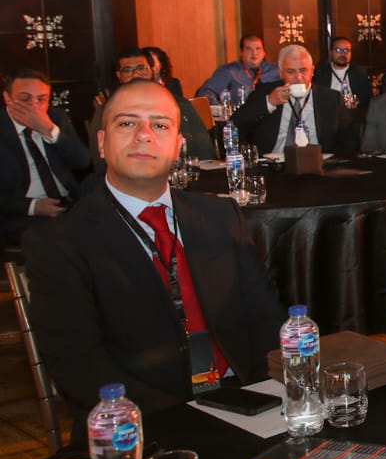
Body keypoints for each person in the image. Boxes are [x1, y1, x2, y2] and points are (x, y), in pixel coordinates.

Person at [24, 80, 282, 415]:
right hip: (142, 418)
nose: (143, 135)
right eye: (126, 123)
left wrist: (265, 398)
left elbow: (265, 318)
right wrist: (186, 419)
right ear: (101, 143)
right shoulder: (58, 243)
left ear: (177, 146)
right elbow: (79, 365)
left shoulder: (221, 216)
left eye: (159, 125)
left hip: (245, 399)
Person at [2, 69, 90, 245]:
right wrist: (33, 207)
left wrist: (49, 130)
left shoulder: (56, 118)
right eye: (25, 99)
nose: (34, 106)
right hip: (22, 213)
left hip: (68, 202)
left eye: (41, 99)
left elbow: (82, 161)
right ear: (7, 98)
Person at [231, 43, 358, 155]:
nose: (298, 77)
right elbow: (235, 123)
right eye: (291, 71)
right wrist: (269, 103)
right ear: (280, 73)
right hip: (274, 164)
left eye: (303, 70)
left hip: (318, 164)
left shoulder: (331, 98)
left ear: (312, 71)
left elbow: (350, 141)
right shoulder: (265, 93)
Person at [91, 48, 213, 163]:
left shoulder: (179, 104)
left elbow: (205, 149)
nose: (135, 74)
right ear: (119, 75)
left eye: (141, 68)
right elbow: (100, 161)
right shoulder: (108, 111)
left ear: (152, 71)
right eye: (127, 70)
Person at [196, 33, 280, 103]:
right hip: (240, 116)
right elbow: (205, 93)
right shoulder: (228, 71)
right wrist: (220, 110)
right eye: (249, 49)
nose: (254, 53)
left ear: (264, 53)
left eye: (258, 49)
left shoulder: (276, 71)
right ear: (241, 52)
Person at [313, 35, 372, 113]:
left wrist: (357, 102)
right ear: (330, 52)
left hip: (353, 114)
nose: (343, 53)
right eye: (338, 50)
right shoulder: (321, 73)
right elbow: (317, 99)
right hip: (329, 113)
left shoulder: (359, 72)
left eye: (346, 50)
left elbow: (367, 98)